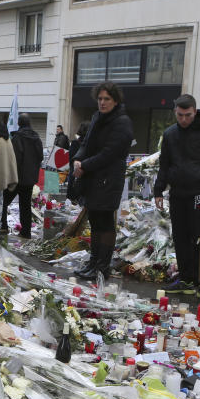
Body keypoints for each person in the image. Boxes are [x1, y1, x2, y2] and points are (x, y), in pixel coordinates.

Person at [153, 94, 200, 303]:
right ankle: (186, 278)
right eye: (180, 115)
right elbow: (164, 164)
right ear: (175, 113)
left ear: (195, 111)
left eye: (187, 115)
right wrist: (158, 190)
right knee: (180, 236)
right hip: (178, 192)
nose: (184, 119)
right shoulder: (170, 134)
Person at [70, 82, 134, 281]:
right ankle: (93, 261)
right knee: (95, 221)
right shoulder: (97, 117)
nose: (103, 102)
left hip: (109, 179)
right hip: (94, 177)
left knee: (105, 223)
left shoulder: (122, 122)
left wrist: (84, 166)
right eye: (100, 99)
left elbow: (110, 154)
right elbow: (86, 143)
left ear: (115, 100)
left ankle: (101, 267)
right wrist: (78, 160)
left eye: (107, 99)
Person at [2, 113, 42, 238]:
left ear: (19, 123)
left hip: (16, 178)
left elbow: (14, 159)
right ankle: (26, 232)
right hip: (30, 179)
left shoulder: (17, 138)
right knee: (25, 206)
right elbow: (40, 157)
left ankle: (3, 228)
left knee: (3, 202)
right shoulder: (37, 138)